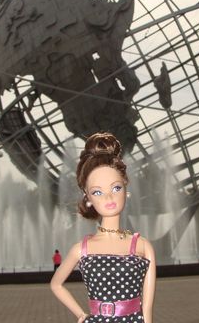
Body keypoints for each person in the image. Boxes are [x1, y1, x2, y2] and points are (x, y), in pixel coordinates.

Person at [51, 132, 156, 323]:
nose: (109, 197)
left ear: (126, 188)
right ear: (88, 197)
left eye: (116, 188)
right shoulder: (82, 249)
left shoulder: (142, 246)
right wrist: (81, 314)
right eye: (97, 192)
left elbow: (147, 308)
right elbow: (56, 284)